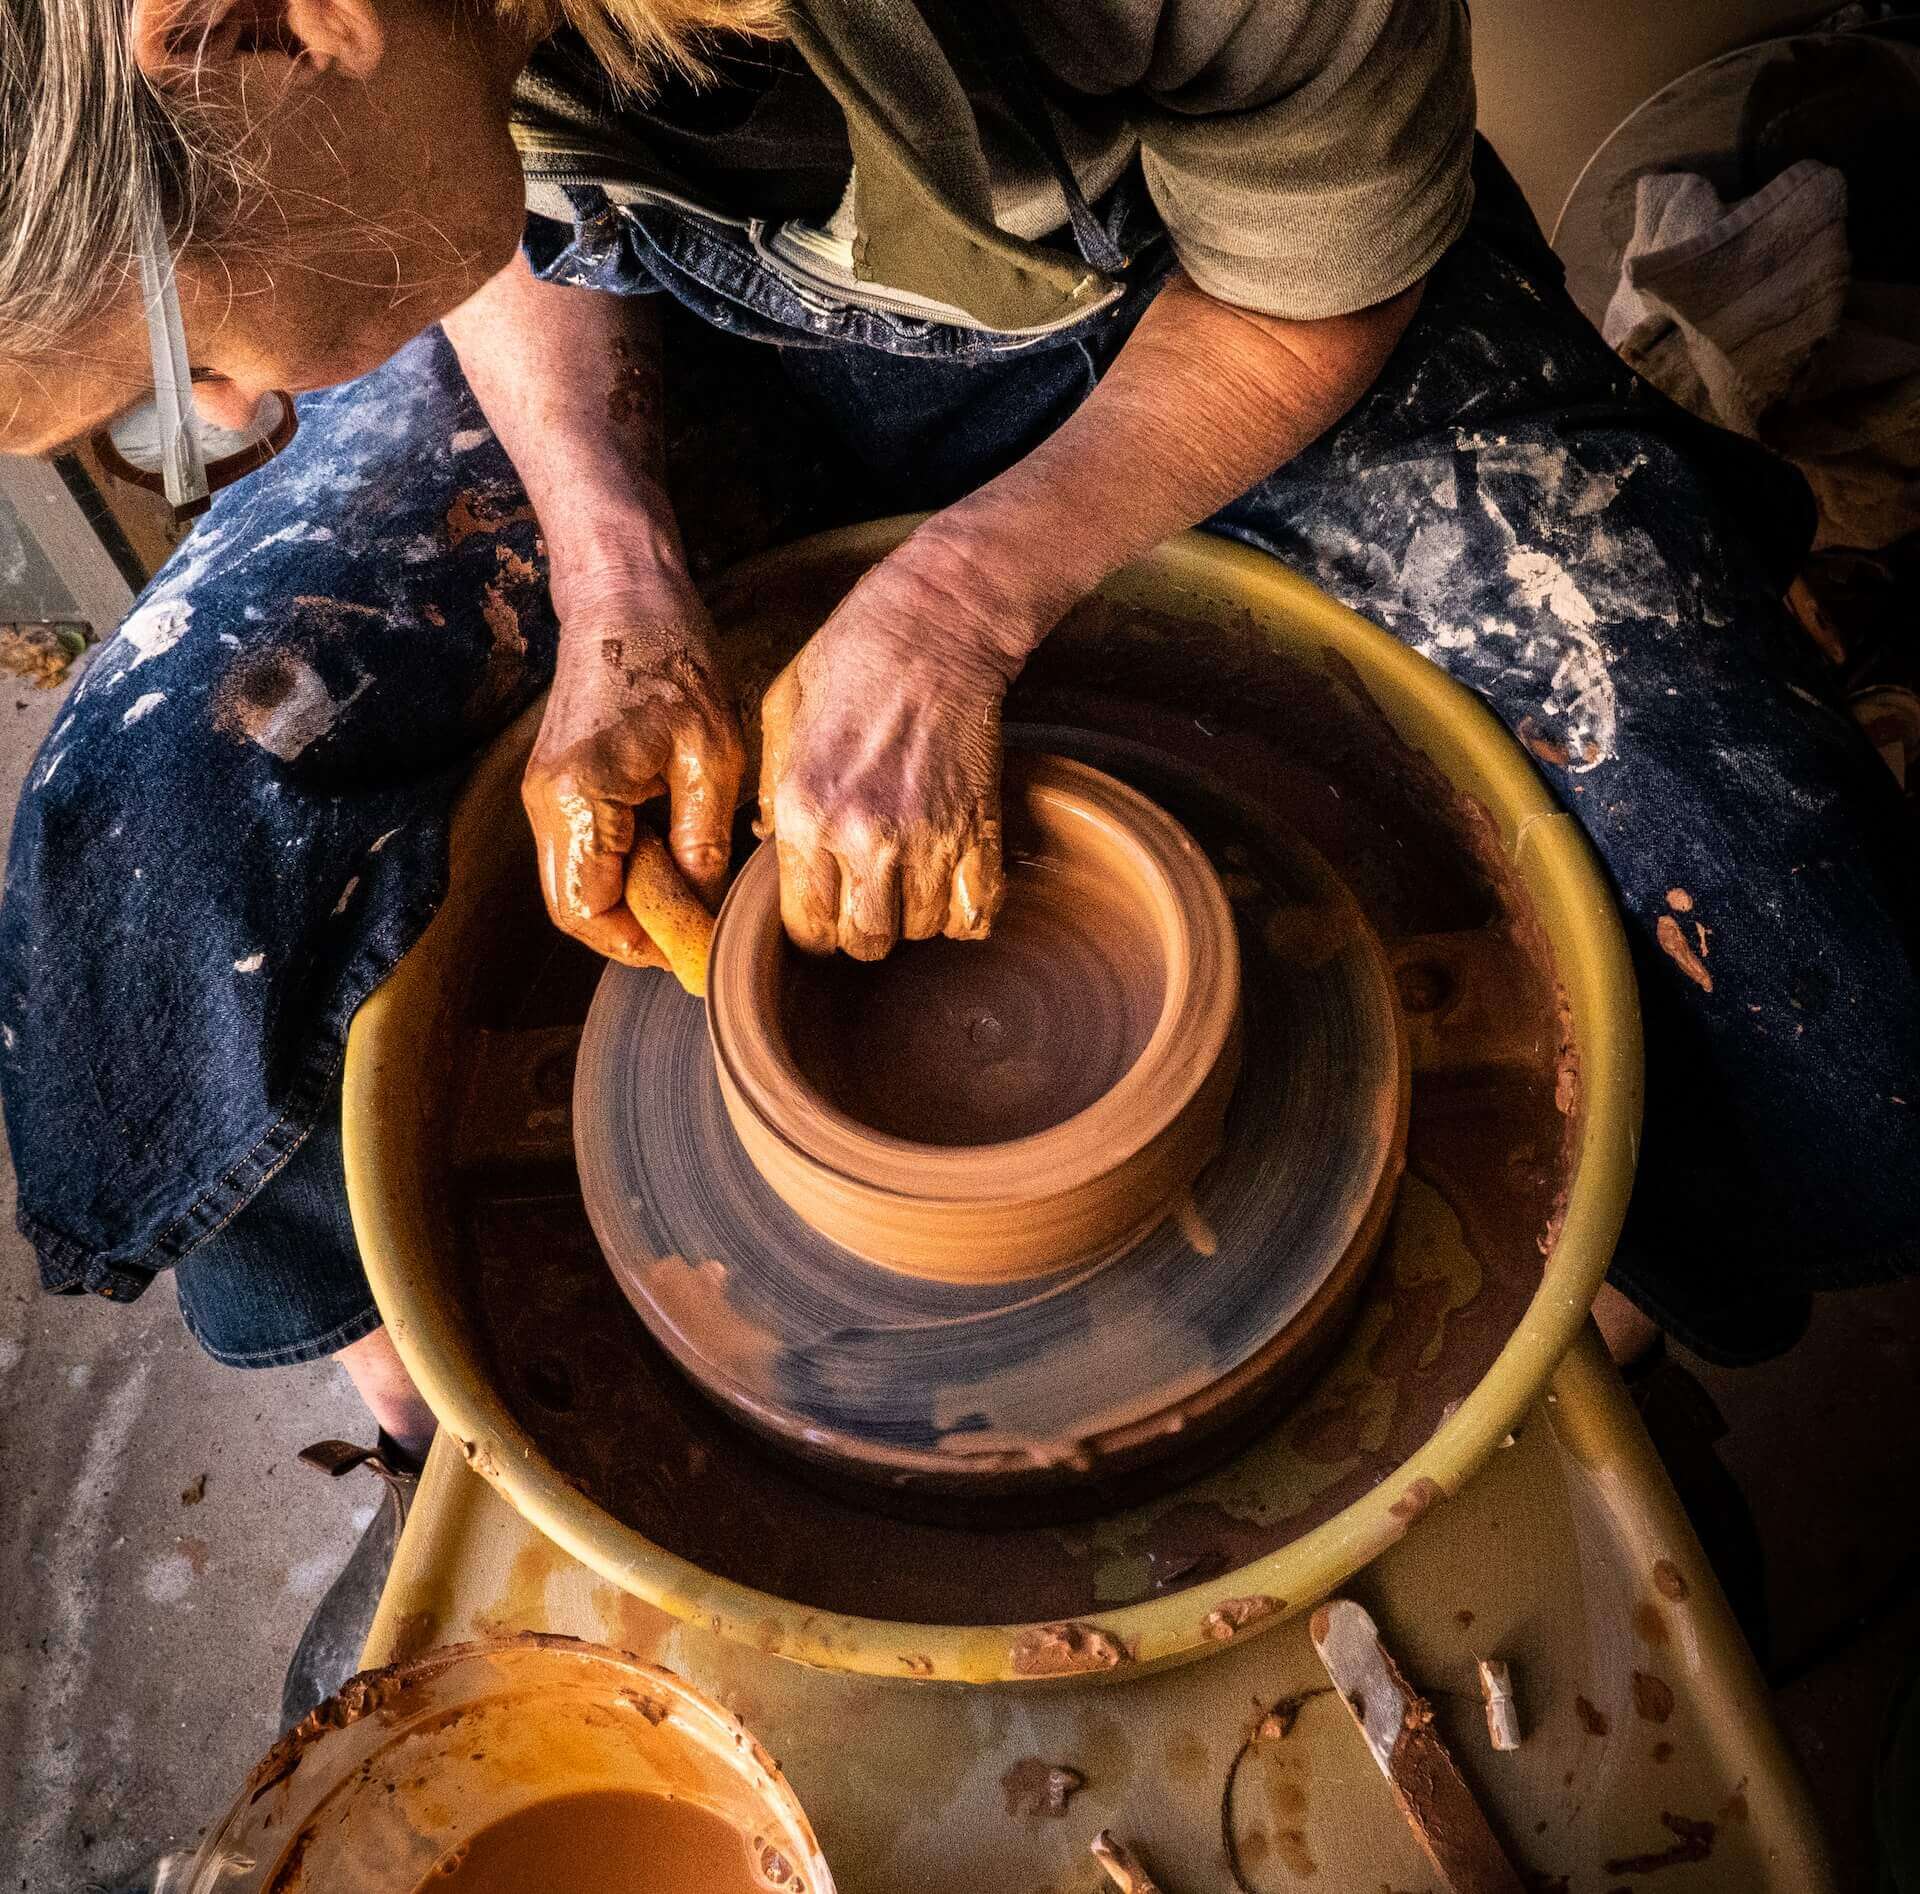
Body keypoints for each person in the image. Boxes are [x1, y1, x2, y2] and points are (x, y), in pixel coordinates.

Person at [1, 0, 1915, 1572]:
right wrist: (613, 565)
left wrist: (965, 601)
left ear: (253, 35)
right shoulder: (346, 72)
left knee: (1780, 907)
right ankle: (463, 1464)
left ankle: (1542, 1413)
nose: (231, 423)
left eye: (171, 362)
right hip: (664, 320)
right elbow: (488, 191)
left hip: (1213, 314)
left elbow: (1317, 268)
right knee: (159, 810)